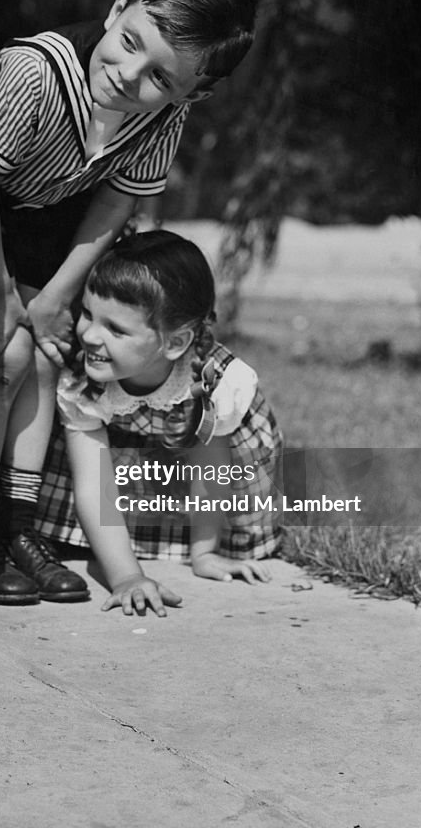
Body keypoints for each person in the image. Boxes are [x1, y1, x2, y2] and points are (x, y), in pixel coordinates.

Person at [0, 0, 256, 606]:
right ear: (119, 6)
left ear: (191, 95)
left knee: (44, 359)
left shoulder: (163, 120)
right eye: (130, 42)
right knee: (1, 356)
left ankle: (19, 530)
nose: (128, 74)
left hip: (50, 237)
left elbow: (111, 207)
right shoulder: (35, 71)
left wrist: (55, 301)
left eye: (160, 78)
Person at [36, 230, 282, 616]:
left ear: (174, 342)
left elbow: (211, 473)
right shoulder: (85, 381)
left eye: (116, 329)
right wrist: (126, 577)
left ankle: (191, 544)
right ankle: (121, 550)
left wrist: (205, 554)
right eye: (87, 314)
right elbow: (93, 486)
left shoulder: (212, 381)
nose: (89, 335)